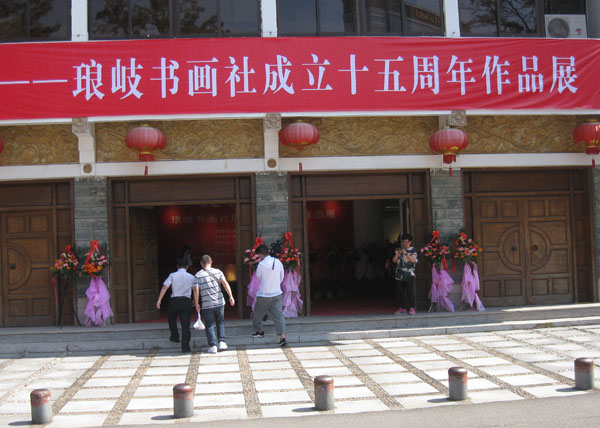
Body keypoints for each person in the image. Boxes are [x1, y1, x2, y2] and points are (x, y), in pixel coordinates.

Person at [156, 256, 199, 353]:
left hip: (174, 301)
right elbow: (196, 289)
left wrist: (159, 299)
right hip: (186, 301)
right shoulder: (191, 277)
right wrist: (196, 302)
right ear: (187, 266)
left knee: (171, 318)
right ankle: (185, 347)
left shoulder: (172, 275)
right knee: (185, 325)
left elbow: (165, 287)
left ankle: (175, 336)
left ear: (177, 266)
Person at [194, 254, 235, 354]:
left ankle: (213, 346)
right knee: (220, 321)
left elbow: (196, 289)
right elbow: (225, 283)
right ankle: (222, 342)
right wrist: (231, 296)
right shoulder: (218, 272)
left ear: (201, 264)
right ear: (211, 262)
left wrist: (196, 303)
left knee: (209, 324)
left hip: (207, 304)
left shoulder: (198, 275)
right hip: (219, 302)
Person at [251, 244, 287, 346]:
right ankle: (282, 337)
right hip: (277, 293)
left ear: (261, 254)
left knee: (257, 313)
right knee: (279, 316)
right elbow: (282, 276)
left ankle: (260, 331)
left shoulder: (261, 264)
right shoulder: (278, 262)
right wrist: (275, 284)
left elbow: (259, 277)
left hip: (264, 294)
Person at [393, 233, 418, 316]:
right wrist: (397, 255)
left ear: (410, 242)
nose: (404, 243)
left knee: (409, 291)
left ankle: (412, 308)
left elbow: (413, 260)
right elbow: (394, 261)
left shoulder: (413, 250)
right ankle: (402, 308)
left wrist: (406, 253)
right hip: (399, 273)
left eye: (406, 242)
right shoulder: (400, 250)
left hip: (409, 273)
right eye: (403, 242)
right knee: (400, 291)